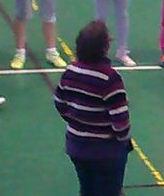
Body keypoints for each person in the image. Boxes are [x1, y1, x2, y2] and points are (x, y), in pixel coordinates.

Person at [54, 20, 132, 196]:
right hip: (105, 152)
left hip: (77, 146)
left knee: (87, 189)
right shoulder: (110, 78)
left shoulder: (70, 71)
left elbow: (59, 102)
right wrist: (123, 141)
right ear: (105, 48)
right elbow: (121, 123)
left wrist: (78, 121)